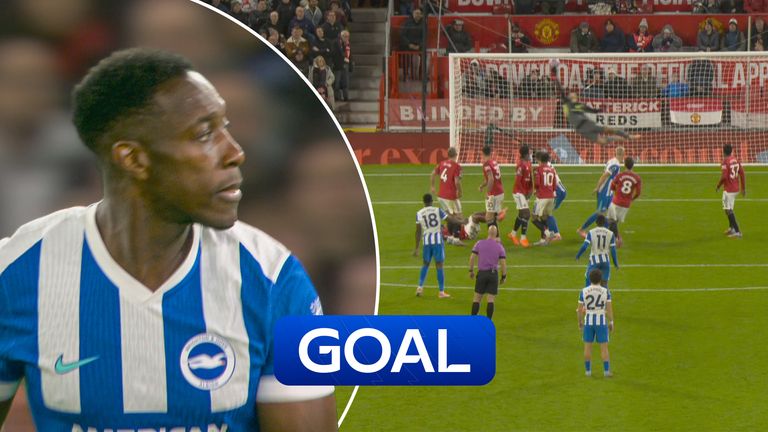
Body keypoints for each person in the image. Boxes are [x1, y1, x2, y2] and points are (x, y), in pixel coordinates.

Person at [0, 48, 336, 430]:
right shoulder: (17, 271)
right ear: (134, 159)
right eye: (205, 134)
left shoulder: (273, 278)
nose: (235, 152)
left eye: (226, 128)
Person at [551, 66, 640, 145]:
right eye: (571, 94)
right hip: (580, 130)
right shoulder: (568, 103)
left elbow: (594, 111)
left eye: (573, 94)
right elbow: (561, 90)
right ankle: (619, 138)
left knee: (609, 130)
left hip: (587, 124)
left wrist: (602, 109)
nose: (571, 94)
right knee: (603, 142)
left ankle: (628, 136)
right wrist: (555, 76)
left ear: (576, 97)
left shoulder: (580, 105)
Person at [578, 146, 624, 237]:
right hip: (604, 192)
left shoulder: (612, 161)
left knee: (610, 213)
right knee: (599, 213)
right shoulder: (615, 165)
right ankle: (581, 229)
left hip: (609, 192)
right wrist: (597, 187)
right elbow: (604, 176)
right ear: (622, 155)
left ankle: (606, 233)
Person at [413, 193, 452, 298]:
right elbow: (449, 219)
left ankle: (420, 287)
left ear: (423, 202)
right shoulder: (437, 210)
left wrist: (416, 248)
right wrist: (461, 221)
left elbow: (418, 232)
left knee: (425, 264)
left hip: (426, 242)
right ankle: (441, 292)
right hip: (437, 241)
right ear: (432, 201)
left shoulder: (419, 213)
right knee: (439, 265)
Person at [578, 269, 614, 378]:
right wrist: (611, 321)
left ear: (590, 279)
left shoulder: (583, 291)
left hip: (588, 321)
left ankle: (588, 372)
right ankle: (606, 372)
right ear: (600, 279)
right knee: (604, 348)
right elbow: (609, 308)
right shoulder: (605, 291)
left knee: (587, 347)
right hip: (601, 322)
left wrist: (580, 322)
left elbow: (579, 310)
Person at [468, 225, 507, 320]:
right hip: (493, 274)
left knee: (477, 298)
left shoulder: (479, 243)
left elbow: (472, 257)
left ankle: (472, 321)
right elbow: (503, 263)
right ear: (496, 233)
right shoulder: (499, 246)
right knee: (490, 299)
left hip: (482, 274)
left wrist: (471, 270)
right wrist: (503, 276)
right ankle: (488, 322)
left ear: (488, 232)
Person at [607, 157, 642, 247]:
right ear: (633, 165)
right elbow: (638, 193)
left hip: (616, 202)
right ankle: (613, 238)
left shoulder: (620, 175)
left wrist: (616, 191)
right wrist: (631, 199)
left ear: (624, 164)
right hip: (626, 204)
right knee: (614, 221)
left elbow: (612, 185)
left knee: (611, 221)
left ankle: (617, 239)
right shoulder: (637, 178)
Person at [576, 215, 619, 288]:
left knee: (589, 281)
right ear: (605, 222)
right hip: (606, 262)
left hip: (594, 261)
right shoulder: (610, 234)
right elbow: (613, 250)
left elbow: (585, 246)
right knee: (604, 285)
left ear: (596, 222)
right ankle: (606, 298)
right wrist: (615, 263)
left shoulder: (591, 232)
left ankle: (588, 297)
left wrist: (578, 255)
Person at [716, 144, 746, 238]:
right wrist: (743, 188)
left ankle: (737, 231)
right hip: (735, 189)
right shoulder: (736, 159)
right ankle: (731, 228)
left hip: (729, 190)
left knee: (728, 210)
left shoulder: (725, 162)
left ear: (723, 152)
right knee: (727, 208)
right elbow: (742, 173)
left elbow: (724, 177)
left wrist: (718, 185)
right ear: (731, 151)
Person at [508, 144, 533, 248]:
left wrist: (530, 190)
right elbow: (518, 181)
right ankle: (523, 238)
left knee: (521, 214)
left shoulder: (528, 164)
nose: (531, 154)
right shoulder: (520, 165)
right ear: (526, 154)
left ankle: (513, 234)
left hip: (525, 193)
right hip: (518, 192)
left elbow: (530, 179)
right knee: (527, 214)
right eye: (529, 153)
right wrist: (524, 193)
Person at [531, 151, 558, 246]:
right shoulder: (552, 170)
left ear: (540, 159)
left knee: (534, 218)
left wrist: (536, 190)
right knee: (544, 218)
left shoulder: (537, 169)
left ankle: (548, 233)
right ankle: (543, 240)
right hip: (551, 197)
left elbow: (537, 183)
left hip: (542, 197)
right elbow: (555, 185)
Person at [431, 147, 463, 219]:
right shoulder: (457, 166)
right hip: (451, 196)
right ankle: (458, 230)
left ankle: (450, 230)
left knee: (450, 217)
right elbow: (457, 182)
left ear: (448, 155)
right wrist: (460, 191)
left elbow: (433, 173)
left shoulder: (442, 163)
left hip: (441, 196)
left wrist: (432, 186)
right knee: (459, 217)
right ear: (456, 155)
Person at [479, 146, 505, 229]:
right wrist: (482, 186)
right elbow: (489, 179)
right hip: (500, 192)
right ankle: (500, 213)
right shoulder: (494, 162)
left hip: (494, 194)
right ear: (491, 153)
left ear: (482, 154)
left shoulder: (486, 164)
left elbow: (491, 179)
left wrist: (488, 193)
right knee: (492, 215)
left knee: (489, 218)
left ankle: (495, 238)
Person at [333, 30, 351, 103]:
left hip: (345, 65)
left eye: (347, 36)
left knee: (345, 82)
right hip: (338, 65)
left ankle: (346, 97)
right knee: (336, 83)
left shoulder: (348, 44)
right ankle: (337, 97)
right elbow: (335, 54)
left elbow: (349, 54)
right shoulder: (336, 43)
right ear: (341, 36)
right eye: (344, 36)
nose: (346, 38)